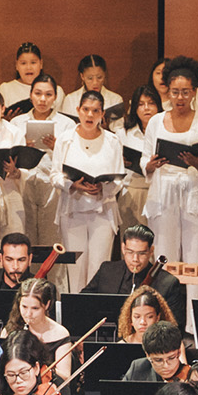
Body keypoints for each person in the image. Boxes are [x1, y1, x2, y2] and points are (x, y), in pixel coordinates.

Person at [137, 61, 198, 269]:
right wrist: (151, 165)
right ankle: (166, 291)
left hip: (195, 193)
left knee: (196, 257)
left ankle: (195, 292)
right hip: (163, 193)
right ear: (168, 92)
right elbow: (145, 159)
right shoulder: (156, 121)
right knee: (164, 256)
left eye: (185, 92)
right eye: (175, 92)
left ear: (194, 92)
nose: (180, 98)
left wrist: (195, 163)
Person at [51, 91, 127, 291]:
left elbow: (119, 178)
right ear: (78, 110)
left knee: (99, 267)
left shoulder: (112, 141)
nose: (90, 115)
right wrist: (73, 185)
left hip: (102, 210)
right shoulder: (65, 139)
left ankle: (95, 308)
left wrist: (103, 187)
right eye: (86, 109)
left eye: (95, 111)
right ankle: (75, 308)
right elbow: (55, 175)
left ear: (102, 114)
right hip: (73, 209)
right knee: (75, 267)